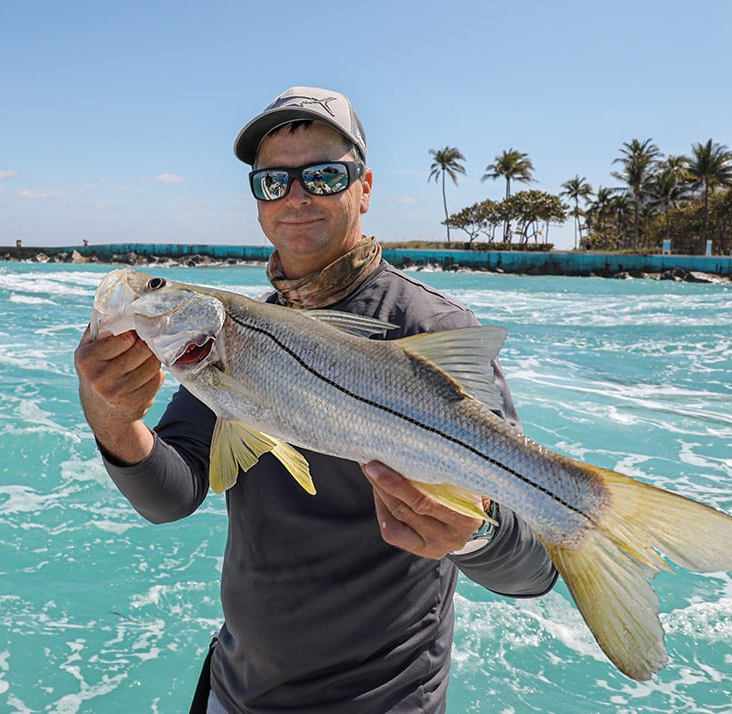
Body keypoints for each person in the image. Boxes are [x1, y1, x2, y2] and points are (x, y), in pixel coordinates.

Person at [74, 86, 557, 713]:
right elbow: (172, 494)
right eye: (273, 182)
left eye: (324, 175)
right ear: (256, 203)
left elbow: (533, 570)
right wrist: (111, 417)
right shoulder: (230, 339)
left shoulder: (433, 328)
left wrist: (472, 533)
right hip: (237, 690)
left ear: (365, 186)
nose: (297, 197)